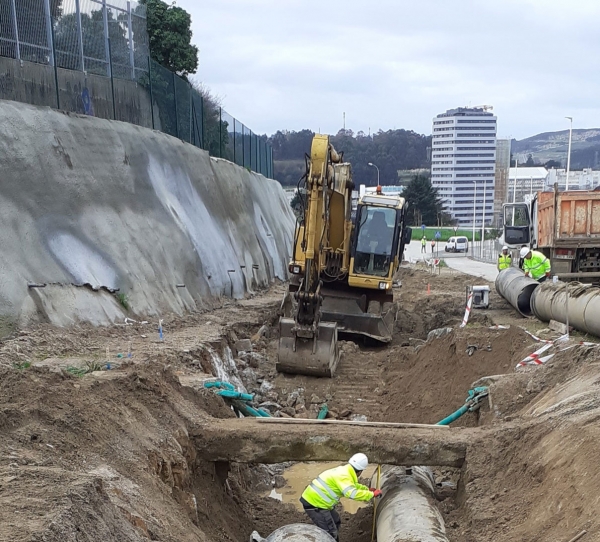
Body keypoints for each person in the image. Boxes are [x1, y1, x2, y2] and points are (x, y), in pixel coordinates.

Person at [300, 453, 380, 542]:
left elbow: (353, 486)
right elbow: (352, 493)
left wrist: (367, 490)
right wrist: (372, 494)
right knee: (330, 532)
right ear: (360, 471)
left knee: (335, 521)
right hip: (315, 504)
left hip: (319, 502)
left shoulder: (345, 471)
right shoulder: (344, 476)